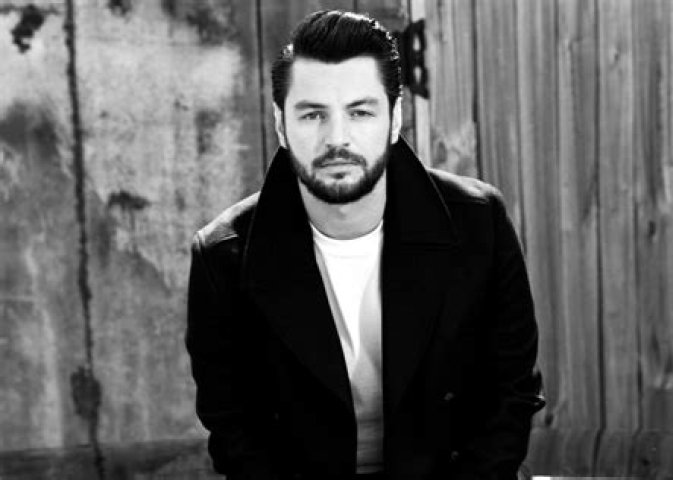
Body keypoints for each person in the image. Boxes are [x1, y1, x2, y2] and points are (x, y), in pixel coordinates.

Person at [186, 10, 544, 480]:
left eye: (360, 112)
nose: (337, 138)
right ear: (280, 125)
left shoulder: (479, 223)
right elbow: (234, 429)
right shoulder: (223, 256)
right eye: (313, 114)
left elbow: (511, 394)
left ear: (395, 120)